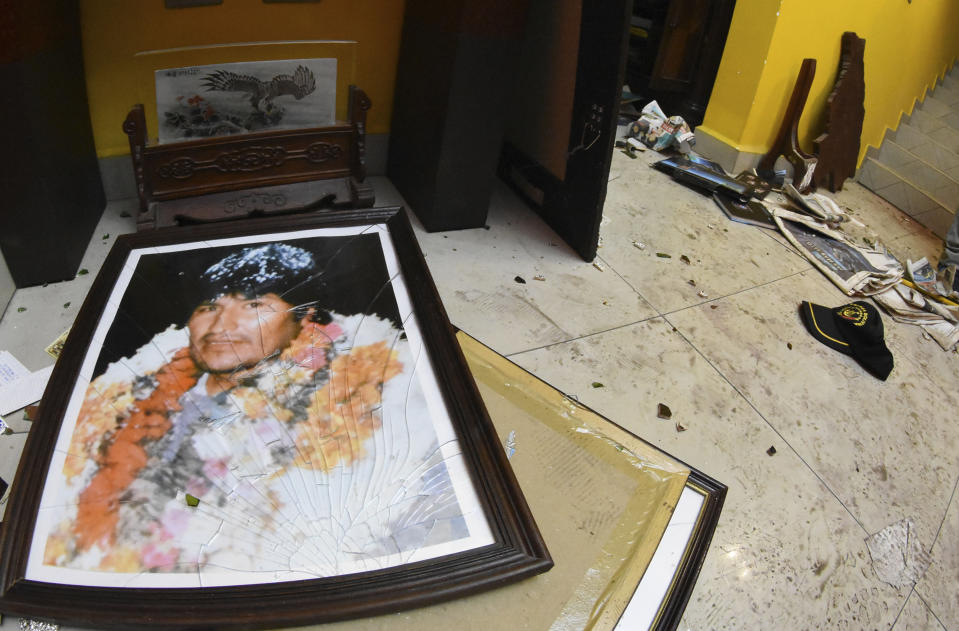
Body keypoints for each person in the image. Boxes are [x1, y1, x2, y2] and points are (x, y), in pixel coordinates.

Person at [41, 242, 481, 580]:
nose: (221, 326)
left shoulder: (349, 405)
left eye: (253, 305)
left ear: (304, 316)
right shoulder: (127, 395)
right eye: (209, 306)